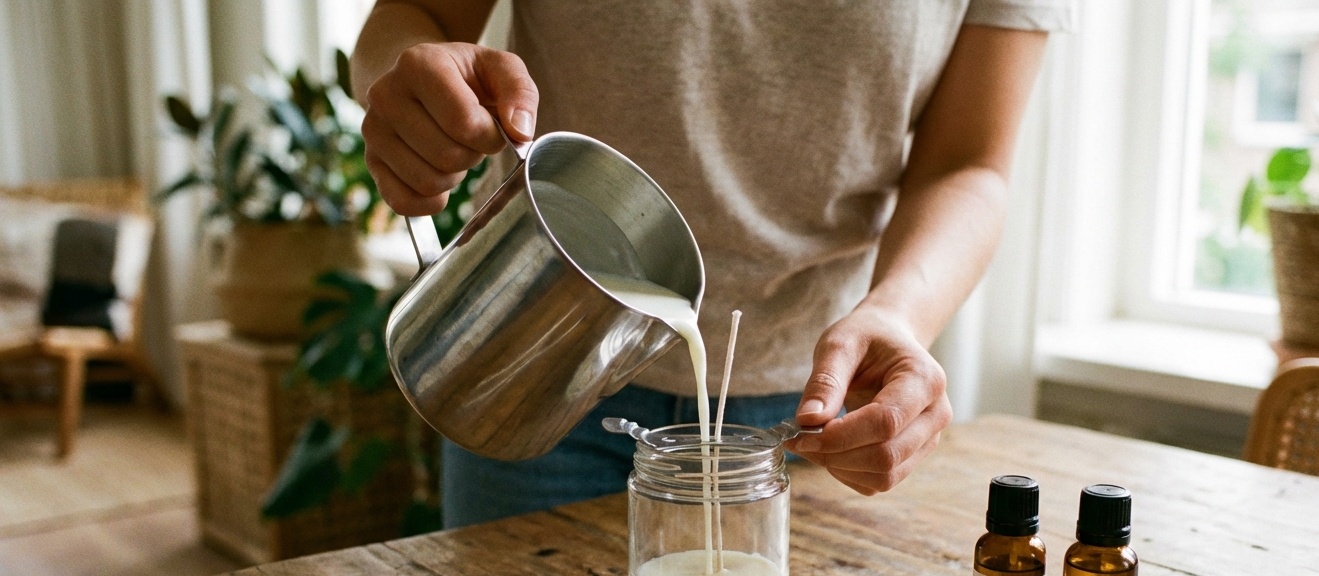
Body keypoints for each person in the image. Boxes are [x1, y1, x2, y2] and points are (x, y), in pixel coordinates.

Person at [352, 0, 1072, 527]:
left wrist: (898, 315)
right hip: (535, 362)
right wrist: (416, 99)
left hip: (802, 423)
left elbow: (968, 161)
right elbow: (409, 18)